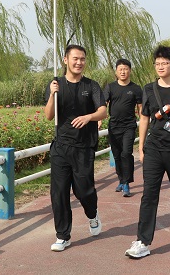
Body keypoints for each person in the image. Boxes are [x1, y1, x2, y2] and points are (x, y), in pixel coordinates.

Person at [125, 45, 170, 259]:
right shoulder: (149, 89)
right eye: (157, 63)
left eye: (165, 63)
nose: (160, 66)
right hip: (153, 149)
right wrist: (141, 147)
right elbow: (144, 119)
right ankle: (142, 241)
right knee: (149, 194)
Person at [44, 45, 108, 252]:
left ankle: (92, 213)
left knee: (83, 190)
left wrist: (89, 117)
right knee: (59, 193)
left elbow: (103, 111)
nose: (79, 62)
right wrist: (52, 95)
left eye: (82, 59)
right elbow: (48, 115)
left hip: (84, 146)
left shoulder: (91, 85)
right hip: (61, 146)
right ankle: (63, 236)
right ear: (65, 60)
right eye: (75, 58)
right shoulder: (56, 84)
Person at [104, 58, 142, 197]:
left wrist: (144, 123)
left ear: (130, 71)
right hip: (114, 127)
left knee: (126, 153)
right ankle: (121, 179)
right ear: (116, 71)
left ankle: (126, 183)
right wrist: (98, 120)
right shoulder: (110, 87)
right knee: (117, 155)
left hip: (129, 126)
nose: (123, 72)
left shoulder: (136, 88)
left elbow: (141, 108)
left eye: (125, 69)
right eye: (120, 69)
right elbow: (103, 105)